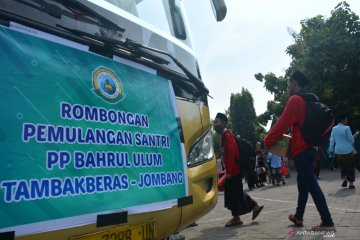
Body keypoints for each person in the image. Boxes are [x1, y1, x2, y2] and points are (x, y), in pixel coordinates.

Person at [264, 70, 335, 231]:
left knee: (311, 184)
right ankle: (299, 216)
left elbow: (281, 124)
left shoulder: (295, 100)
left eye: (288, 82)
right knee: (302, 184)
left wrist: (267, 141)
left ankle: (328, 222)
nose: (287, 86)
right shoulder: (308, 99)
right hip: (309, 148)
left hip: (301, 150)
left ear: (294, 83)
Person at [213, 113, 264, 227]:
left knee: (234, 193)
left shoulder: (227, 136)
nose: (215, 124)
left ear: (224, 123)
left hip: (233, 170)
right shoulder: (224, 136)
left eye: (217, 122)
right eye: (215, 122)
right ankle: (248, 210)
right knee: (235, 193)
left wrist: (229, 171)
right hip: (232, 170)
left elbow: (232, 153)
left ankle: (240, 216)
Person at [329, 114, 356, 189]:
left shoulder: (334, 128)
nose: (347, 121)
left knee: (342, 166)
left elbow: (332, 140)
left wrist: (331, 149)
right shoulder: (347, 128)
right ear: (342, 120)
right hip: (348, 150)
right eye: (346, 119)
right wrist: (353, 140)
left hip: (338, 150)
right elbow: (351, 139)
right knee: (351, 166)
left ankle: (344, 179)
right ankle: (351, 184)